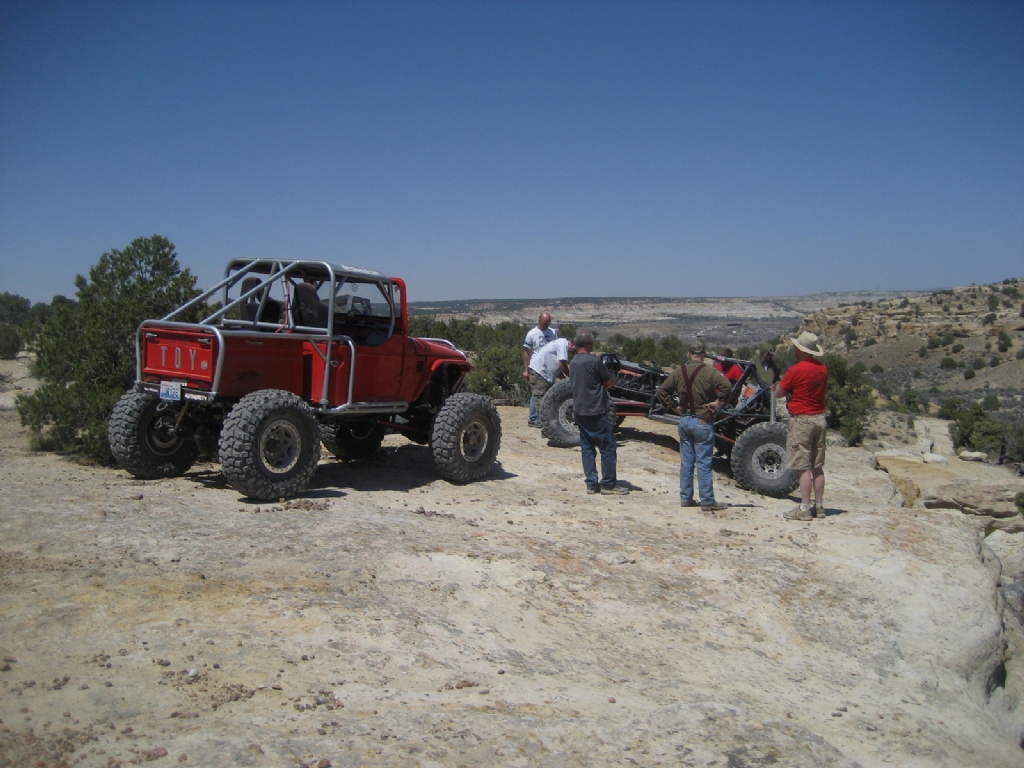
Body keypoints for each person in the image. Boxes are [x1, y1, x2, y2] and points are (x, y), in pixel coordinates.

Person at [656, 341, 732, 512]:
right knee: (704, 463)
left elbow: (662, 391)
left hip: (684, 420)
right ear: (703, 354)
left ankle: (685, 497)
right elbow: (727, 386)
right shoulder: (710, 372)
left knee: (686, 462)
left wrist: (674, 407)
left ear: (689, 355)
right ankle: (707, 500)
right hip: (702, 421)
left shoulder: (678, 372)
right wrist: (718, 402)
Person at [773, 331, 829, 521]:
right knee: (817, 466)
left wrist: (780, 390)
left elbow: (779, 393)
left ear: (800, 348)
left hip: (802, 420)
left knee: (803, 467)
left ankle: (804, 508)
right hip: (819, 417)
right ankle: (819, 506)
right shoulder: (822, 369)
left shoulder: (796, 370)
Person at [569, 330, 628, 495]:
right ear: (589, 343)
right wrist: (603, 387)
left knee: (587, 447)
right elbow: (611, 380)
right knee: (607, 447)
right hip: (595, 409)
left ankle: (591, 483)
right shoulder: (594, 362)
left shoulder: (573, 363)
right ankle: (608, 483)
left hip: (580, 409)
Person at [522, 312, 557, 427]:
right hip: (536, 368)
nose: (546, 325)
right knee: (537, 393)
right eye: (545, 323)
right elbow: (527, 352)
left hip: (549, 368)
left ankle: (547, 416)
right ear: (539, 321)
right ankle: (533, 418)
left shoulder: (553, 332)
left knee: (549, 392)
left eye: (548, 323)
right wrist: (526, 369)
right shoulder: (532, 334)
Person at [528, 337, 574, 417]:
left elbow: (558, 367)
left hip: (544, 375)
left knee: (548, 399)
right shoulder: (563, 344)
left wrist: (565, 379)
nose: (573, 352)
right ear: (573, 344)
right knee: (541, 400)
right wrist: (571, 377)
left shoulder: (561, 343)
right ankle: (540, 421)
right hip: (539, 373)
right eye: (574, 349)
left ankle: (542, 420)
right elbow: (562, 364)